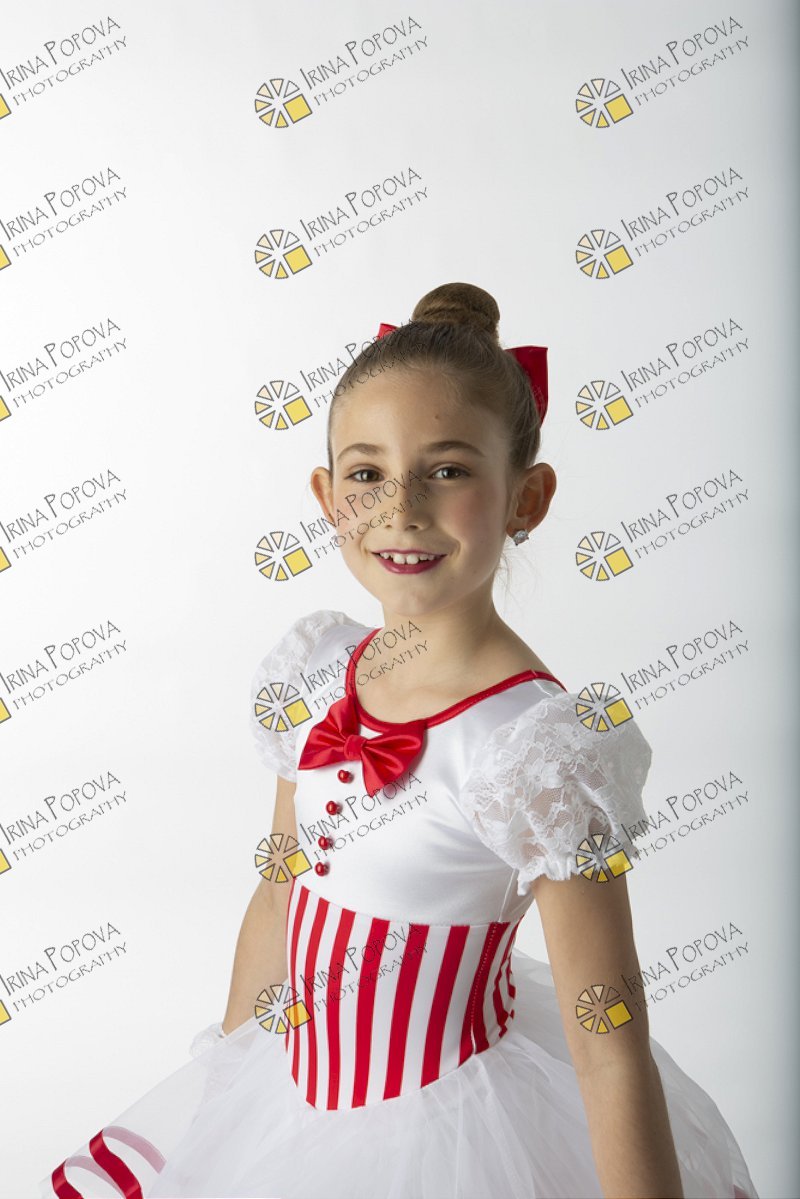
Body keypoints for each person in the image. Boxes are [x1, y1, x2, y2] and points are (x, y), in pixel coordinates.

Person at [41, 282, 759, 1199]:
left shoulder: (535, 749)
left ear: (527, 497)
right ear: (326, 496)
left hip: (451, 1139)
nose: (400, 508)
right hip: (284, 1107)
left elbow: (607, 1044)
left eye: (448, 470)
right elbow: (279, 890)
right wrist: (217, 1120)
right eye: (366, 474)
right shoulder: (316, 672)